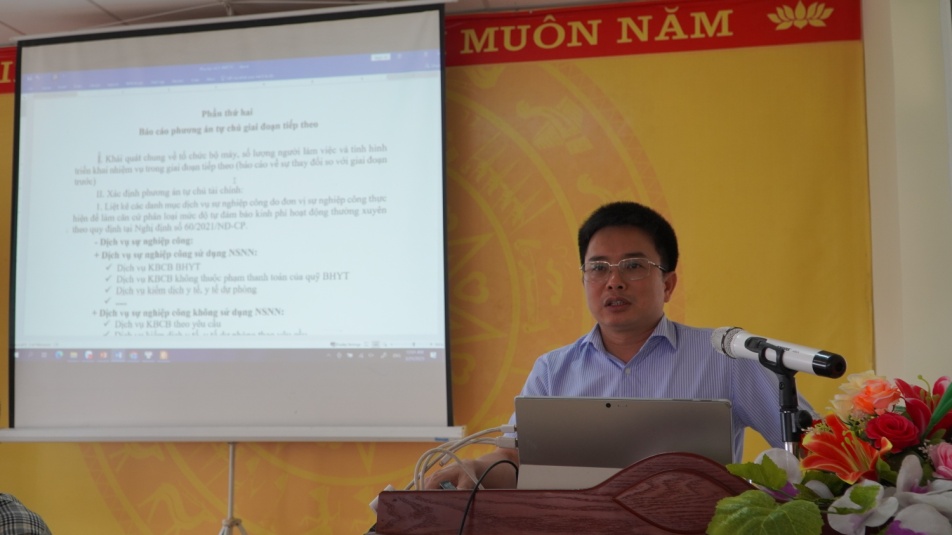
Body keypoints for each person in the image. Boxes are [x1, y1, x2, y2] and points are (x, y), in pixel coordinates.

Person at [424, 201, 815, 490]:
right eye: (598, 268)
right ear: (584, 281)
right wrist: (477, 470)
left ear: (668, 284)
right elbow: (513, 458)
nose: (614, 281)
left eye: (633, 266)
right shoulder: (553, 370)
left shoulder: (725, 357)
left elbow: (812, 444)